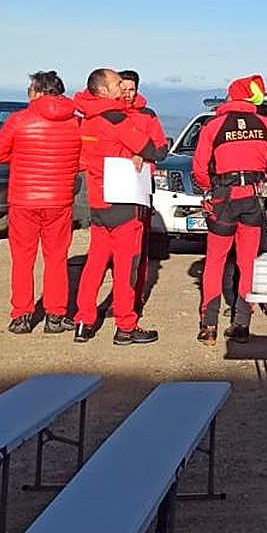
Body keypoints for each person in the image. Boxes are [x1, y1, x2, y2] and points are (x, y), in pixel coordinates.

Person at [0, 71, 81, 335]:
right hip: (59, 199)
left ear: (38, 91)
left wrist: (20, 157)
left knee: (23, 259)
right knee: (57, 258)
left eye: (30, 88)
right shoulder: (76, 122)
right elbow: (82, 160)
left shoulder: (19, 120)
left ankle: (22, 315)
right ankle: (55, 315)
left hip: (24, 199)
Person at [73, 68, 164, 345]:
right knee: (127, 266)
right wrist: (141, 152)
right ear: (103, 90)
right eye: (115, 83)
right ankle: (126, 325)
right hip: (124, 201)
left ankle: (83, 320)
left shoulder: (86, 119)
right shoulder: (115, 118)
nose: (121, 87)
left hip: (98, 202)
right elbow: (152, 150)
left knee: (95, 263)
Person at [192, 74, 267, 345]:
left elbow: (199, 167)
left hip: (224, 198)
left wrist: (210, 188)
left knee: (215, 260)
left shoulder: (214, 125)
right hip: (253, 199)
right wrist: (264, 183)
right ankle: (242, 324)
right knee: (247, 263)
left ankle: (208, 325)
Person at [117, 69, 169, 310]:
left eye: (132, 89)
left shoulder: (147, 115)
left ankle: (134, 300)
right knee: (107, 253)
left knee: (138, 250)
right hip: (111, 190)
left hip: (139, 189)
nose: (127, 94)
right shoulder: (109, 114)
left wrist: (142, 154)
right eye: (123, 89)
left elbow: (161, 149)